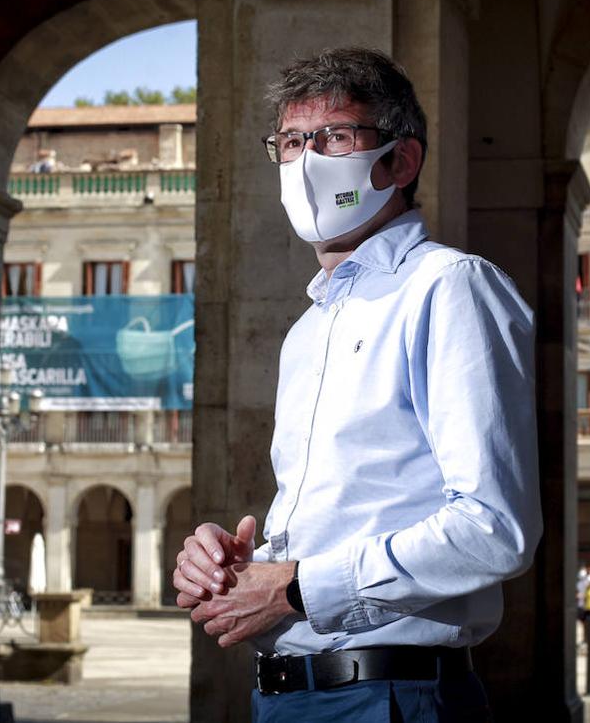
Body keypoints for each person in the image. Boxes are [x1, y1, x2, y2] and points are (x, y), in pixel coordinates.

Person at [171, 47, 541, 721]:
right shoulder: (307, 329)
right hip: (287, 694)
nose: (306, 161)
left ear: (401, 161)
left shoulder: (448, 287)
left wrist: (293, 589)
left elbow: (494, 528)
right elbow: (348, 518)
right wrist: (236, 566)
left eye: (334, 136)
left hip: (390, 695)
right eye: (290, 141)